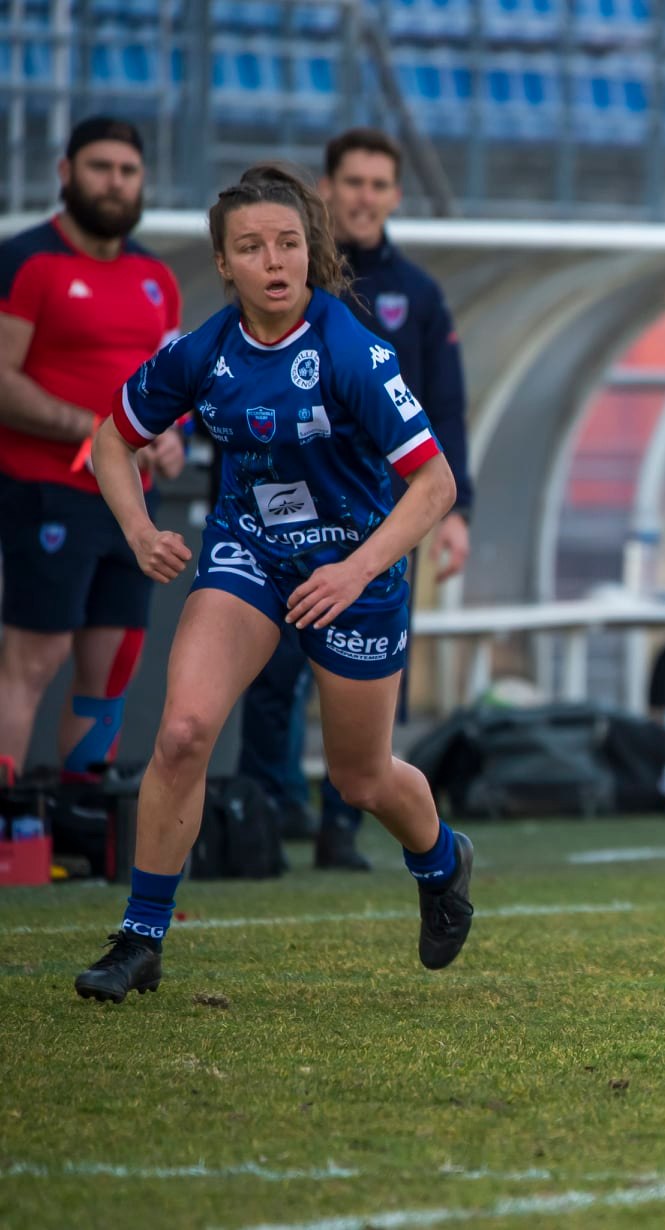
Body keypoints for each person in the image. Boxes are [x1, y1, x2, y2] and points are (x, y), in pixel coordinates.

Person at [72, 163, 473, 1003]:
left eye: (288, 243)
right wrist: (141, 531)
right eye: (251, 247)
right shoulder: (202, 353)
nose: (274, 260)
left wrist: (356, 567)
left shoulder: (353, 351)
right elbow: (113, 437)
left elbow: (433, 485)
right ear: (224, 263)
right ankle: (141, 939)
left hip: (355, 568)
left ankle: (441, 860)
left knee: (362, 779)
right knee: (183, 733)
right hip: (248, 552)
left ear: (309, 250)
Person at [235, 127, 474, 871]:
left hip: (374, 522)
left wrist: (455, 511)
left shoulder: (419, 295)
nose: (366, 197)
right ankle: (274, 813)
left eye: (380, 185)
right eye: (354, 183)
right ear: (327, 192)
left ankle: (343, 826)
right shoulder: (288, 277)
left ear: (395, 196)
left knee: (371, 677)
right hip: (278, 515)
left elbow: (446, 407)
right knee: (271, 671)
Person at [0, 116, 185, 781]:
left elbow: (171, 392)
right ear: (65, 173)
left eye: (128, 171)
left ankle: (81, 817)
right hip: (45, 490)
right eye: (101, 167)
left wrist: (168, 444)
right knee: (32, 660)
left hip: (132, 507)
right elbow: (2, 379)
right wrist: (99, 432)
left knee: (112, 663)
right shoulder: (26, 260)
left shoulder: (157, 280)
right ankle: (8, 834)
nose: (114, 183)